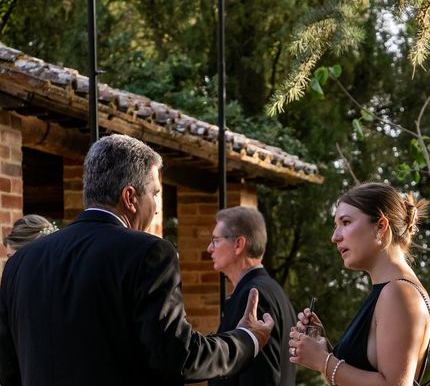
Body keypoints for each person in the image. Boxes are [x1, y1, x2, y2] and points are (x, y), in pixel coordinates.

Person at [0, 134, 273, 386]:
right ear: (130, 197)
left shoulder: (19, 263)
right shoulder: (148, 253)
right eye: (154, 194)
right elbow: (179, 357)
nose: (155, 208)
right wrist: (247, 339)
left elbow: (7, 370)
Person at [288, 182, 430, 386]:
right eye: (336, 225)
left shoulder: (398, 292)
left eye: (345, 222)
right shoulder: (389, 291)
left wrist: (323, 361)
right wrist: (324, 350)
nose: (335, 237)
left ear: (380, 226)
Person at [207, 206, 297, 386]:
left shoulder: (254, 296)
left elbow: (260, 378)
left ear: (239, 244)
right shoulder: (271, 290)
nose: (209, 248)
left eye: (215, 240)